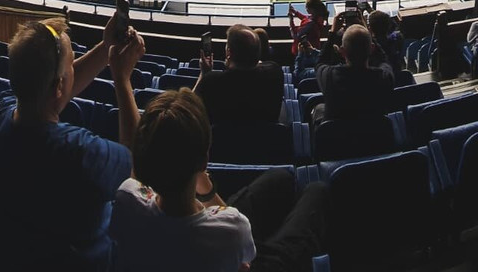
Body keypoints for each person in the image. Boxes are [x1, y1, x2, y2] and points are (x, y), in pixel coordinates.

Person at [0, 14, 145, 270]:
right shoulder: (82, 155)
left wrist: (105, 49)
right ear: (58, 85)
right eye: (71, 64)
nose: (73, 68)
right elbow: (138, 163)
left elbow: (53, 87)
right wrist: (122, 79)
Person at [110, 89, 328, 271]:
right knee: (316, 191)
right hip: (243, 259)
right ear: (204, 161)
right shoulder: (232, 228)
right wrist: (206, 190)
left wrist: (121, 79)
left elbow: (136, 153)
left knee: (281, 178)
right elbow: (246, 257)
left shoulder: (126, 201)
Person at [194, 24, 284, 124]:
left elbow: (187, 108)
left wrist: (204, 73)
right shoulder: (275, 73)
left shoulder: (212, 81)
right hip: (266, 139)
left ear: (229, 53)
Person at [314, 23, 395, 124]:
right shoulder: (383, 77)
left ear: (342, 51)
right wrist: (369, 34)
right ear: (371, 48)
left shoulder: (330, 76)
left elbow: (320, 63)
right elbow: (384, 60)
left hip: (337, 138)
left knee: (319, 109)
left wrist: (332, 33)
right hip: (375, 137)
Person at [367, 9, 404, 77]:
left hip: (380, 80)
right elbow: (392, 24)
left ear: (370, 29)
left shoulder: (371, 47)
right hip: (397, 76)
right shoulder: (398, 38)